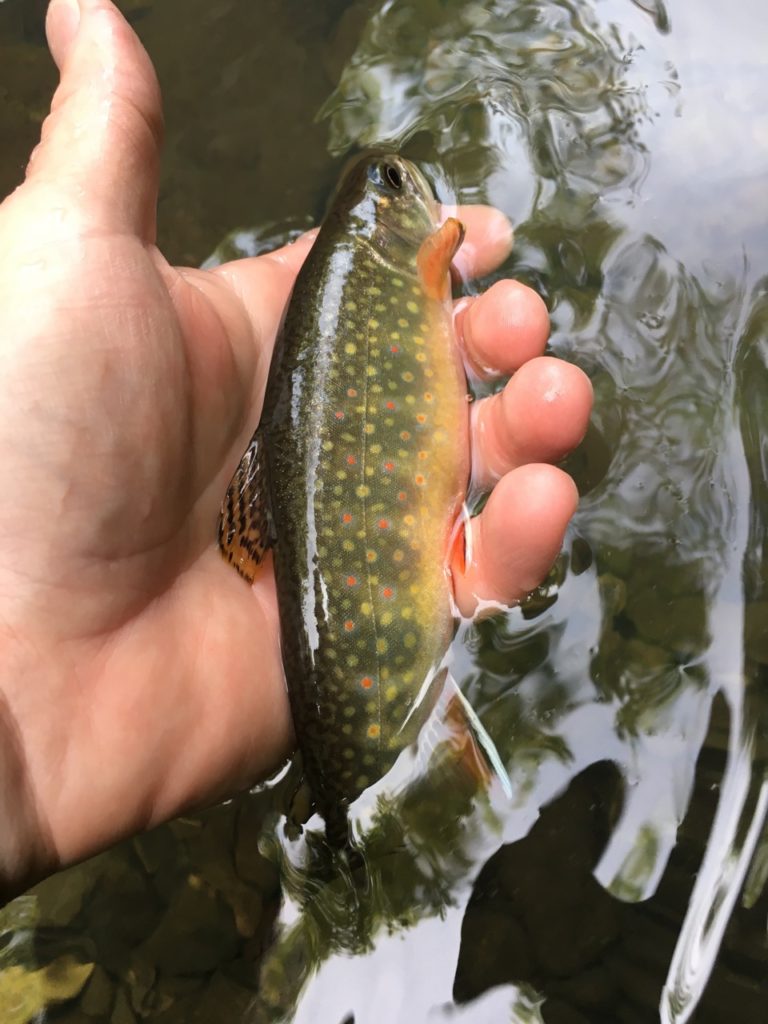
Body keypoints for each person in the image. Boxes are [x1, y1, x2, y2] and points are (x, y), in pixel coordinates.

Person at [0, 0, 592, 900]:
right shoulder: (429, 256)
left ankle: (365, 824)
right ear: (422, 239)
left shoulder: (407, 267)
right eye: (398, 188)